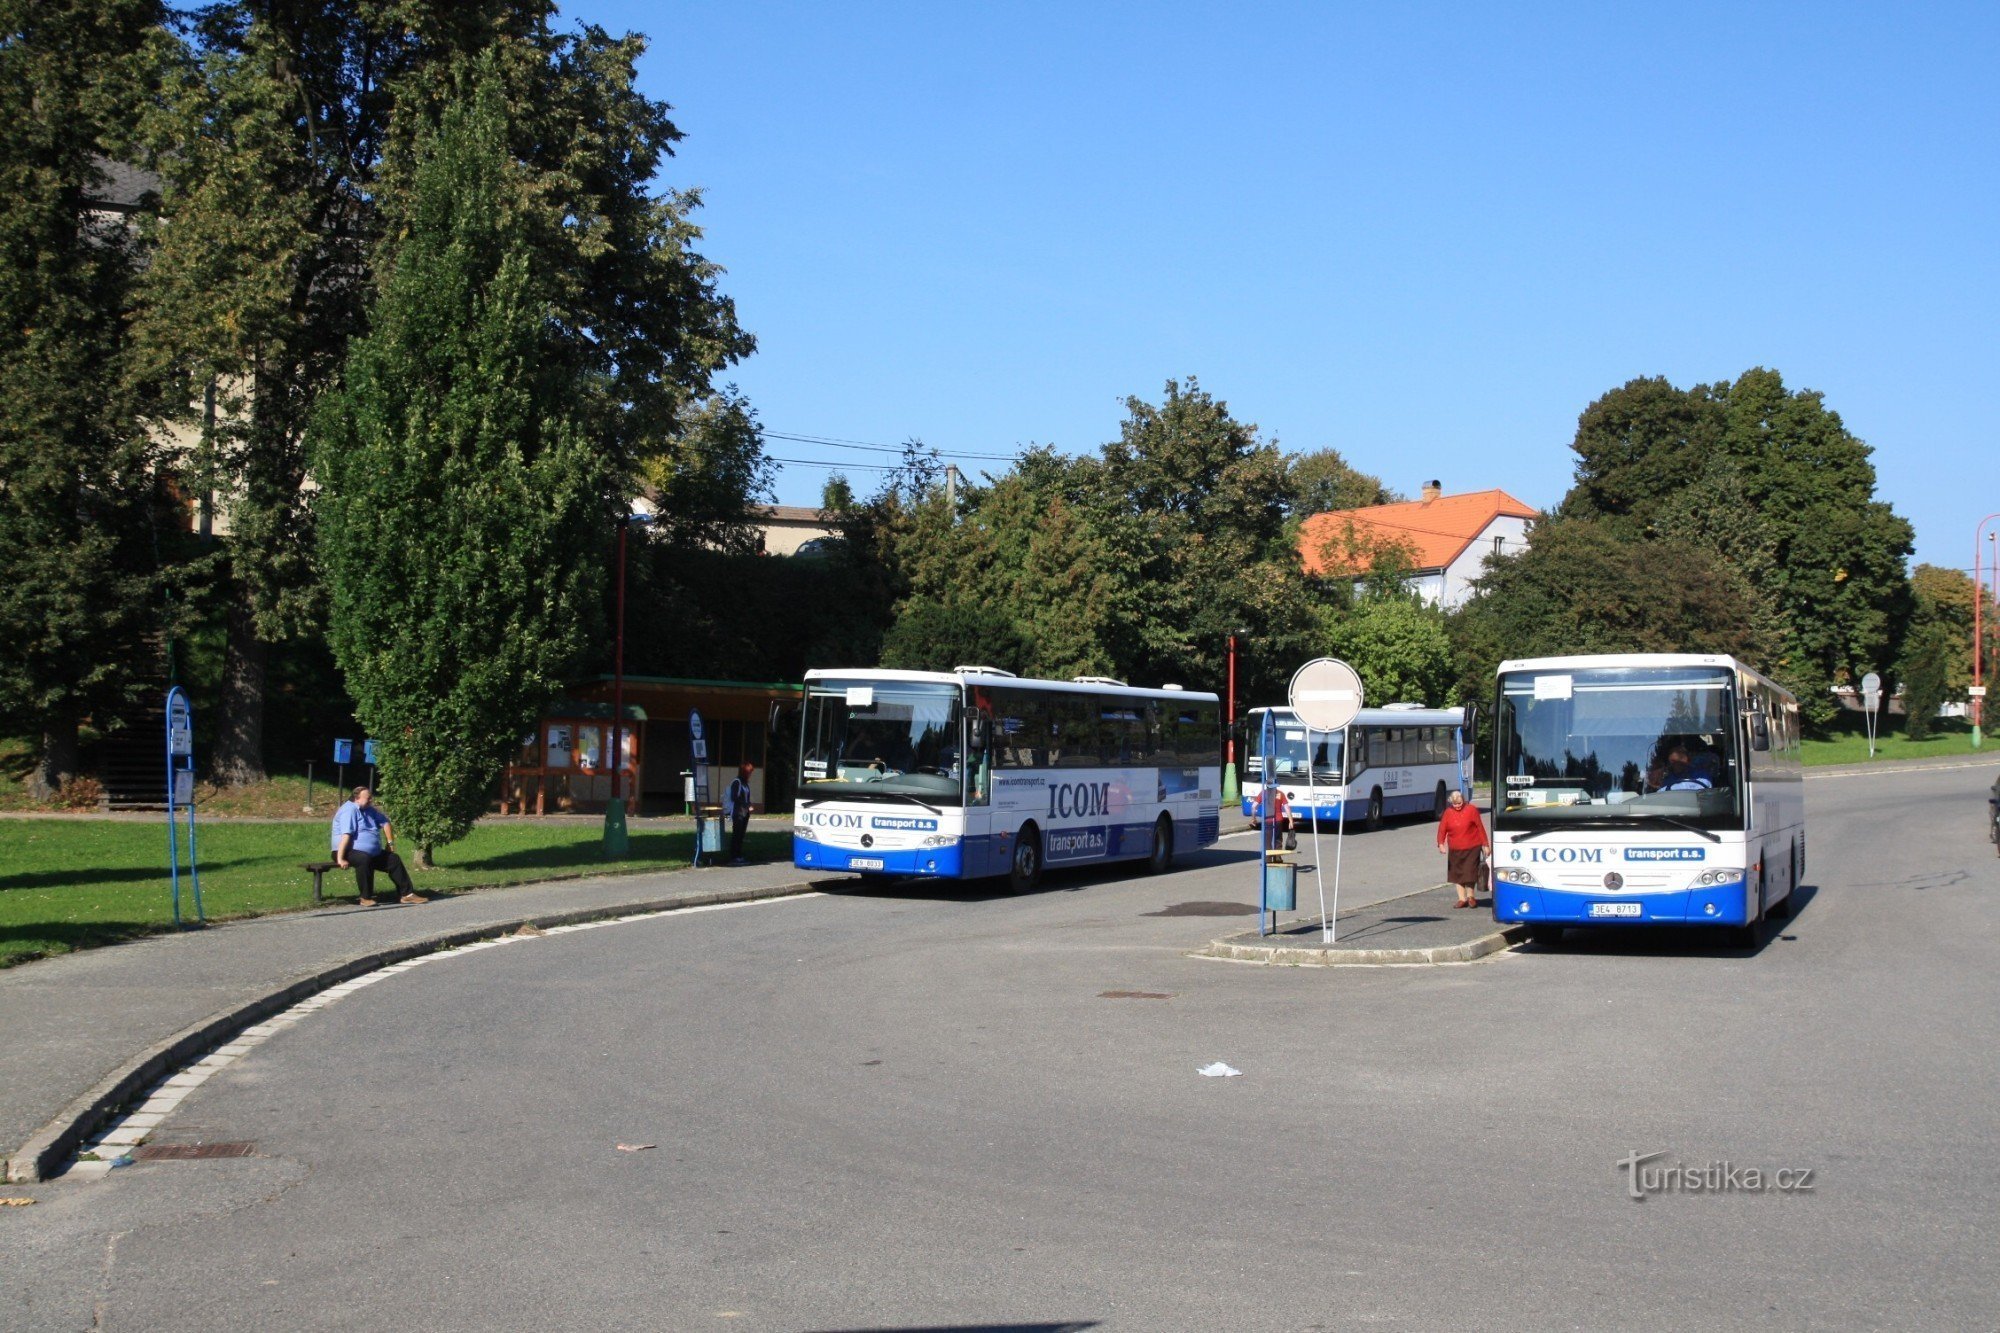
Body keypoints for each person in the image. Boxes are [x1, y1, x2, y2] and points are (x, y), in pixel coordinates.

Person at [331, 785, 424, 906]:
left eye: (371, 798)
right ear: (357, 798)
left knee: (393, 859)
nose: (371, 801)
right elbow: (346, 835)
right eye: (368, 798)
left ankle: (407, 894)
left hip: (370, 853)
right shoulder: (349, 810)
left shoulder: (369, 810)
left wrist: (390, 843)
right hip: (345, 851)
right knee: (364, 859)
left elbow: (385, 823)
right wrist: (340, 858)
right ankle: (365, 897)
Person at [1436, 787, 1488, 909]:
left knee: (1469, 872)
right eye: (1454, 804)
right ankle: (1462, 899)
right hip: (1455, 848)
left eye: (1459, 803)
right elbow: (1442, 829)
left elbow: (1480, 827)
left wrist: (1485, 844)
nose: (1457, 806)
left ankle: (1471, 897)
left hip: (1472, 846)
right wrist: (1441, 844)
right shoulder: (1448, 813)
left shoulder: (1471, 810)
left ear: (1463, 800)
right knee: (1457, 874)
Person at [726, 762, 757, 864]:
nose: (750, 775)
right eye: (749, 772)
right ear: (744, 772)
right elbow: (734, 797)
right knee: (737, 834)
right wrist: (746, 805)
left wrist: (749, 805)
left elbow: (746, 797)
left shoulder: (745, 784)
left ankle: (739, 855)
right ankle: (733, 856)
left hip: (745, 813)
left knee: (741, 835)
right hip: (737, 812)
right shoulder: (737, 782)